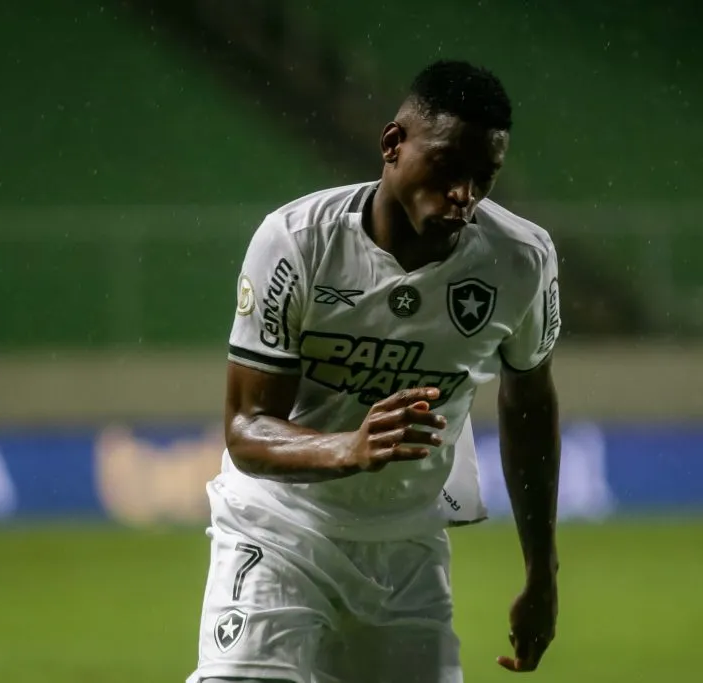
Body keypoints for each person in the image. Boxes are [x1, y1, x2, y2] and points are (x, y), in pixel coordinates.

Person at [187, 59, 562, 683]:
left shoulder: (521, 260)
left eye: (484, 177)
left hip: (407, 548)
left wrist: (542, 571)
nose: (464, 195)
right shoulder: (297, 242)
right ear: (393, 144)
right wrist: (349, 447)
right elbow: (247, 429)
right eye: (448, 166)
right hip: (279, 526)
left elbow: (529, 403)